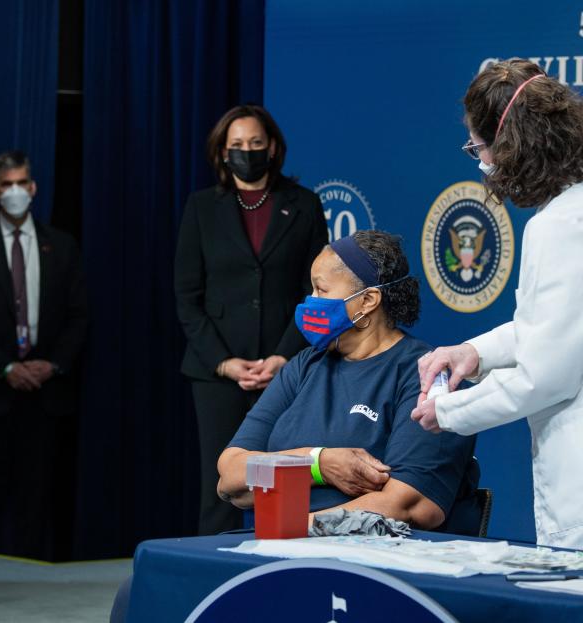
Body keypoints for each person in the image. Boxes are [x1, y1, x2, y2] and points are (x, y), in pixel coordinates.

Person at [412, 58, 583, 548]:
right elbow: (554, 327)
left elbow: (543, 374)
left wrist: (449, 412)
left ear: (511, 145)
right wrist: (475, 353)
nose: (482, 161)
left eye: (479, 147)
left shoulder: (557, 227)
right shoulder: (571, 212)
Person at [218, 232, 478, 529]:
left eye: (321, 289)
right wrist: (316, 465)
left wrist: (292, 527)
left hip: (368, 562)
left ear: (367, 300)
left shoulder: (427, 375)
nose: (309, 303)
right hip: (274, 546)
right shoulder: (304, 366)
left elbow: (407, 504)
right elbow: (231, 476)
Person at [175, 104, 328, 535]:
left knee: (285, 477)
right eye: (237, 145)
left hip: (286, 370)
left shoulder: (304, 205)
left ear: (273, 147)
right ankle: (217, 576)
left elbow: (316, 291)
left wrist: (283, 356)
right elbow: (187, 297)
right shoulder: (202, 207)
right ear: (223, 153)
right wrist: (222, 362)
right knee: (222, 484)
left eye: (255, 143)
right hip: (216, 374)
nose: (247, 152)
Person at [0, 150, 88, 561]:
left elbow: (79, 316)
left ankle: (35, 576)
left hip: (47, 396)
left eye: (21, 184)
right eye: (6, 185)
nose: (14, 192)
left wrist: (54, 364)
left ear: (33, 188)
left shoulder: (62, 246)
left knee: (38, 498)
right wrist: (4, 367)